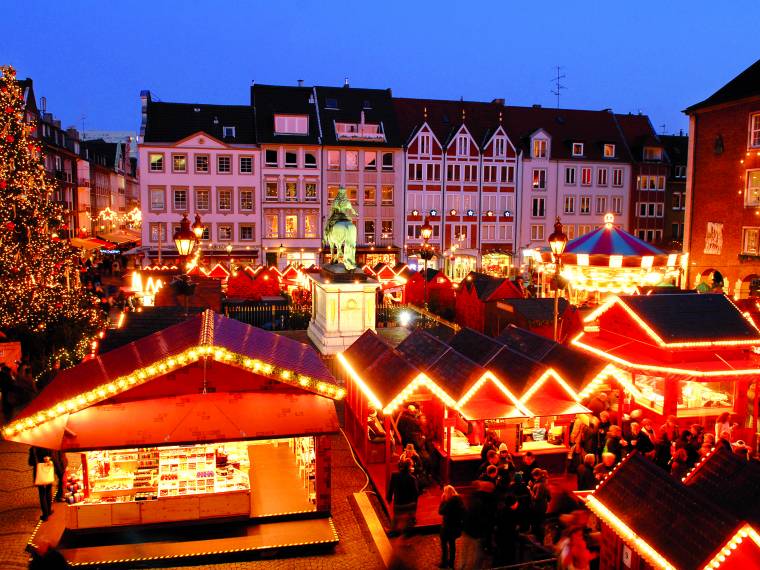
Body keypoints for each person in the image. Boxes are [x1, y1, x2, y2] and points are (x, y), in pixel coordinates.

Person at [386, 459, 419, 536]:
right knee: (410, 517)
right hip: (409, 504)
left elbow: (391, 488)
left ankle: (393, 531)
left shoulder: (395, 476)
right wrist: (414, 506)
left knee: (396, 517)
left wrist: (389, 499)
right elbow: (416, 493)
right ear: (409, 468)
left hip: (398, 504)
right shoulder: (412, 478)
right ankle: (408, 530)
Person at [438, 485, 465, 569]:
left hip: (446, 528)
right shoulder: (459, 500)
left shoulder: (449, 502)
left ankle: (444, 562)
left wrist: (442, 501)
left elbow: (440, 511)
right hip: (455, 527)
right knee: (452, 544)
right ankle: (451, 562)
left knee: (444, 545)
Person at [28, 446, 55, 521]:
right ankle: (49, 511)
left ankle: (45, 515)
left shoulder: (34, 448)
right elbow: (53, 457)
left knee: (42, 493)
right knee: (49, 491)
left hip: (39, 473)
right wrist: (48, 459)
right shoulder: (49, 446)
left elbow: (30, 462)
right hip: (48, 470)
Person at [529, 468, 551, 542]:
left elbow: (536, 498)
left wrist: (530, 491)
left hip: (539, 506)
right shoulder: (543, 482)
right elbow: (549, 496)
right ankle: (539, 538)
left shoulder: (540, 485)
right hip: (542, 505)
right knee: (540, 522)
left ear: (536, 476)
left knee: (538, 523)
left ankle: (539, 539)